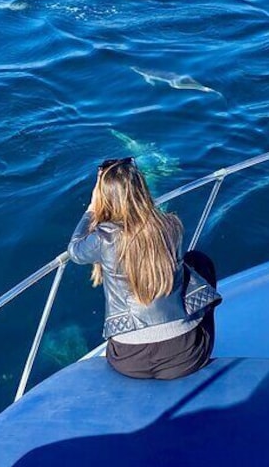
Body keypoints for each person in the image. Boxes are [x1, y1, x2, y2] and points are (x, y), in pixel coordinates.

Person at [67, 157, 219, 379]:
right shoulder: (172, 225)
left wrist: (91, 211)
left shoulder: (103, 238)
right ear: (142, 190)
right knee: (199, 262)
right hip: (186, 357)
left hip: (129, 361)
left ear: (104, 197)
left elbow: (74, 251)